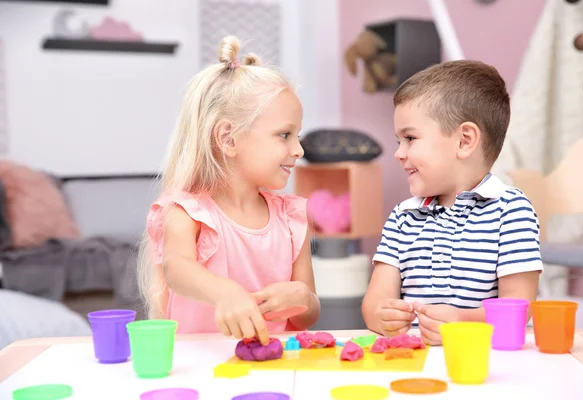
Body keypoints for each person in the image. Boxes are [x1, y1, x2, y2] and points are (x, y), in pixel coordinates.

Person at [137, 36, 320, 346]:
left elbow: (307, 316)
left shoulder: (292, 219)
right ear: (229, 139)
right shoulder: (188, 212)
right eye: (285, 135)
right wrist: (225, 292)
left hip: (272, 370)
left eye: (297, 136)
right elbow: (176, 269)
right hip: (201, 371)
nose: (298, 149)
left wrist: (303, 298)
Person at [362, 60, 543, 345]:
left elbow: (519, 309)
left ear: (464, 141)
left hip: (483, 363)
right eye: (399, 141)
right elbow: (374, 304)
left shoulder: (511, 211)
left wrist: (462, 322)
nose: (399, 153)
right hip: (415, 362)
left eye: (410, 138)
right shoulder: (403, 217)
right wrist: (381, 315)